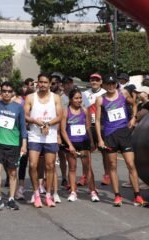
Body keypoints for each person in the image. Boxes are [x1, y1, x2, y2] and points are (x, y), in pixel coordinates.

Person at [95, 74, 145, 207]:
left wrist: (133, 118)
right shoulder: (100, 100)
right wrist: (100, 139)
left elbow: (134, 104)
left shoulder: (122, 94)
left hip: (124, 133)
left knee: (130, 164)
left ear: (116, 84)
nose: (111, 86)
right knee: (112, 165)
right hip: (110, 135)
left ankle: (137, 195)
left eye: (113, 83)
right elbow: (98, 121)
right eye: (108, 84)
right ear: (104, 85)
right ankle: (117, 196)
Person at [0, 81, 27, 212]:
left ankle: (11, 199)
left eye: (9, 91)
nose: (6, 93)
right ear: (1, 92)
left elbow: (22, 127)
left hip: (13, 144)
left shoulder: (18, 107)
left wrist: (24, 144)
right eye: (4, 91)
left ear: (13, 93)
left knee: (12, 172)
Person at [25, 73, 62, 208]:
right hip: (35, 136)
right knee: (33, 165)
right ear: (37, 83)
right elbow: (25, 115)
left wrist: (47, 124)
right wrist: (36, 121)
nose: (43, 85)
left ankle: (48, 194)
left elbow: (59, 116)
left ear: (50, 84)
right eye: (40, 82)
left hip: (50, 136)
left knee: (50, 166)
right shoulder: (30, 97)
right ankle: (36, 193)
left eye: (46, 82)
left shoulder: (56, 97)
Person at [61, 88, 99, 202]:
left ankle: (92, 191)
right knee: (72, 168)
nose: (79, 100)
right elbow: (62, 130)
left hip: (84, 142)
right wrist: (70, 145)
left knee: (87, 167)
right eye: (76, 98)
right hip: (71, 143)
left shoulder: (84, 110)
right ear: (71, 99)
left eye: (80, 98)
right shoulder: (65, 111)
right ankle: (73, 191)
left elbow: (88, 127)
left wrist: (92, 141)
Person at [82, 73, 109, 186]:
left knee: (105, 152)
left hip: (102, 126)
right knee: (85, 153)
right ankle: (85, 175)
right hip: (89, 126)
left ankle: (107, 175)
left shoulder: (105, 93)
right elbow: (81, 108)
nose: (94, 82)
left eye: (97, 80)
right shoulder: (84, 94)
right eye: (92, 80)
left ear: (101, 82)